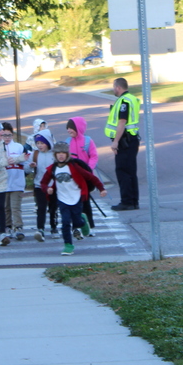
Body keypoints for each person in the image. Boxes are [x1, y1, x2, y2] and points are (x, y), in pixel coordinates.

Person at [40, 142, 107, 256]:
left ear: (67, 154)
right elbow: (43, 182)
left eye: (63, 153)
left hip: (76, 197)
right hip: (62, 199)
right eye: (58, 153)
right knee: (65, 222)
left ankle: (82, 219)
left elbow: (90, 177)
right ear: (55, 155)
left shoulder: (74, 167)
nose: (61, 155)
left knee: (76, 221)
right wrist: (47, 189)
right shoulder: (52, 169)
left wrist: (101, 188)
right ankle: (68, 245)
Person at [106, 77, 141, 211]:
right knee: (131, 171)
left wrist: (115, 141)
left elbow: (122, 122)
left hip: (124, 140)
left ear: (118, 87)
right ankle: (133, 201)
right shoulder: (132, 98)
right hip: (131, 139)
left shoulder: (124, 101)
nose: (113, 89)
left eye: (114, 87)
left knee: (123, 171)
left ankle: (126, 201)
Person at [66, 116, 100, 231]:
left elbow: (94, 156)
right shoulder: (67, 142)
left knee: (85, 202)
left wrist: (88, 170)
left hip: (85, 177)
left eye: (71, 128)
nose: (69, 130)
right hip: (72, 178)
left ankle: (89, 226)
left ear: (78, 128)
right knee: (73, 202)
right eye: (68, 128)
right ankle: (76, 226)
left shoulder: (87, 141)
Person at [28, 128, 57, 241]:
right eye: (38, 143)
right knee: (41, 208)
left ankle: (54, 227)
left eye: (42, 143)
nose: (40, 145)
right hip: (39, 185)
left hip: (53, 185)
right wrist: (30, 166)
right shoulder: (35, 154)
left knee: (53, 208)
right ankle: (40, 229)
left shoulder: (54, 154)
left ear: (48, 142)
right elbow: (26, 168)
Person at [1, 122, 28, 241]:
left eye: (9, 135)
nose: (7, 138)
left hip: (17, 181)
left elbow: (25, 162)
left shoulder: (18, 147)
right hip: (3, 183)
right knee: (6, 207)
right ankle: (8, 227)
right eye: (4, 135)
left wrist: (25, 163)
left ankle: (18, 227)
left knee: (15, 207)